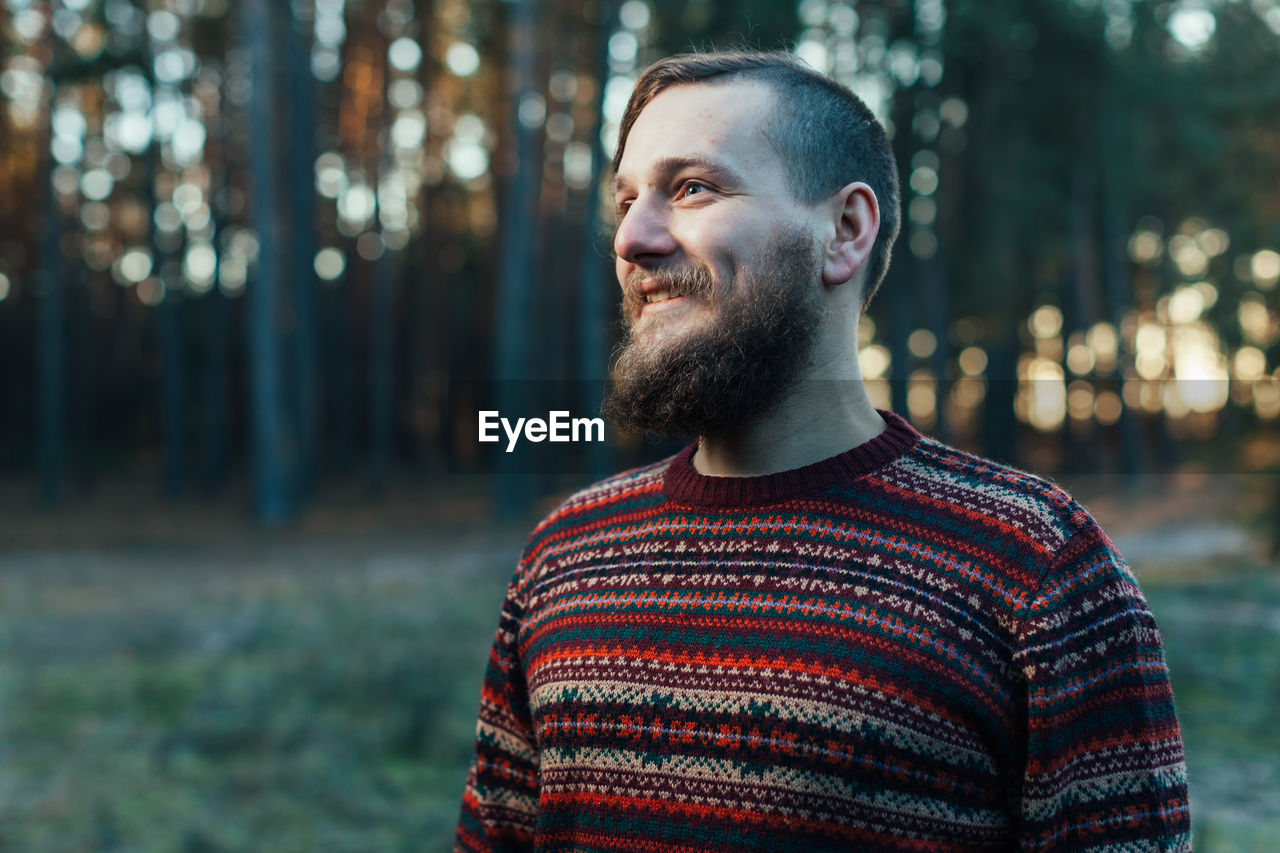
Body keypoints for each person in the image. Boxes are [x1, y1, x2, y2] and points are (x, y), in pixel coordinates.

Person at [456, 50, 1190, 852]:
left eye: (693, 187)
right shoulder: (565, 553)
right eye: (626, 200)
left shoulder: (1037, 565)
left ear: (844, 232)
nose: (632, 238)